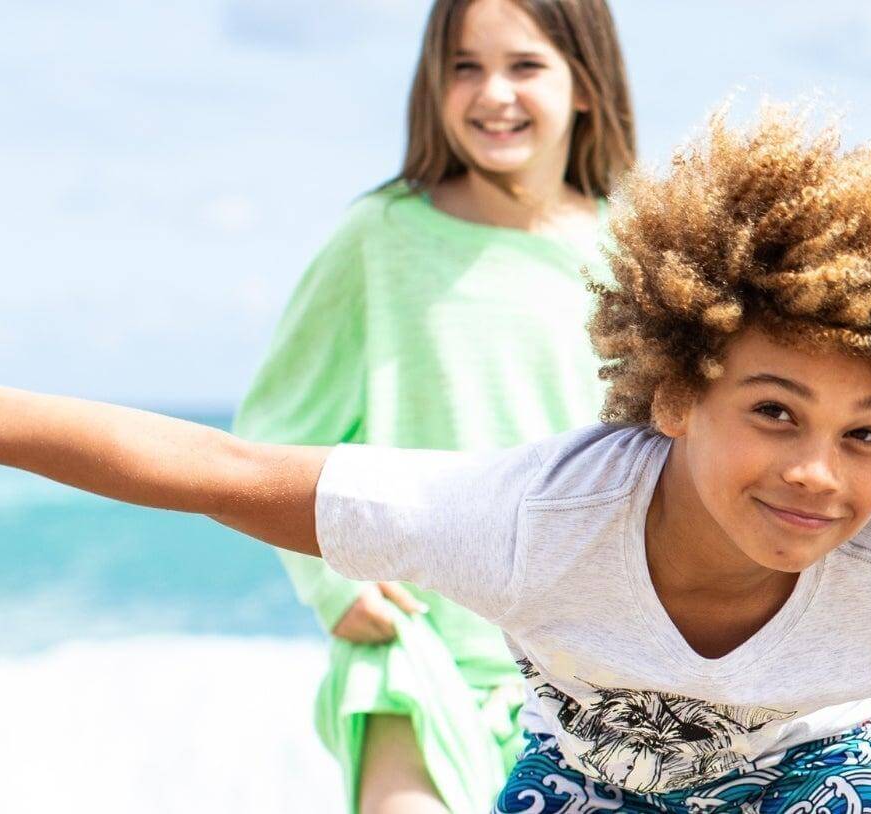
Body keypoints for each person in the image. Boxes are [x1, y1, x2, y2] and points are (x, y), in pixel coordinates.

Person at [0, 107, 871, 814]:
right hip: (587, 778)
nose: (817, 470)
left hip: (819, 775)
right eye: (775, 411)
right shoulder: (533, 519)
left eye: (867, 436)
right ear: (679, 392)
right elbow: (219, 467)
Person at [233, 0, 635, 809]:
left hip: (593, 681)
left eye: (524, 66)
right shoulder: (378, 239)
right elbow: (277, 429)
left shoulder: (635, 250)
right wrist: (329, 583)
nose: (492, 93)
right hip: (419, 657)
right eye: (464, 67)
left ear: (585, 85)